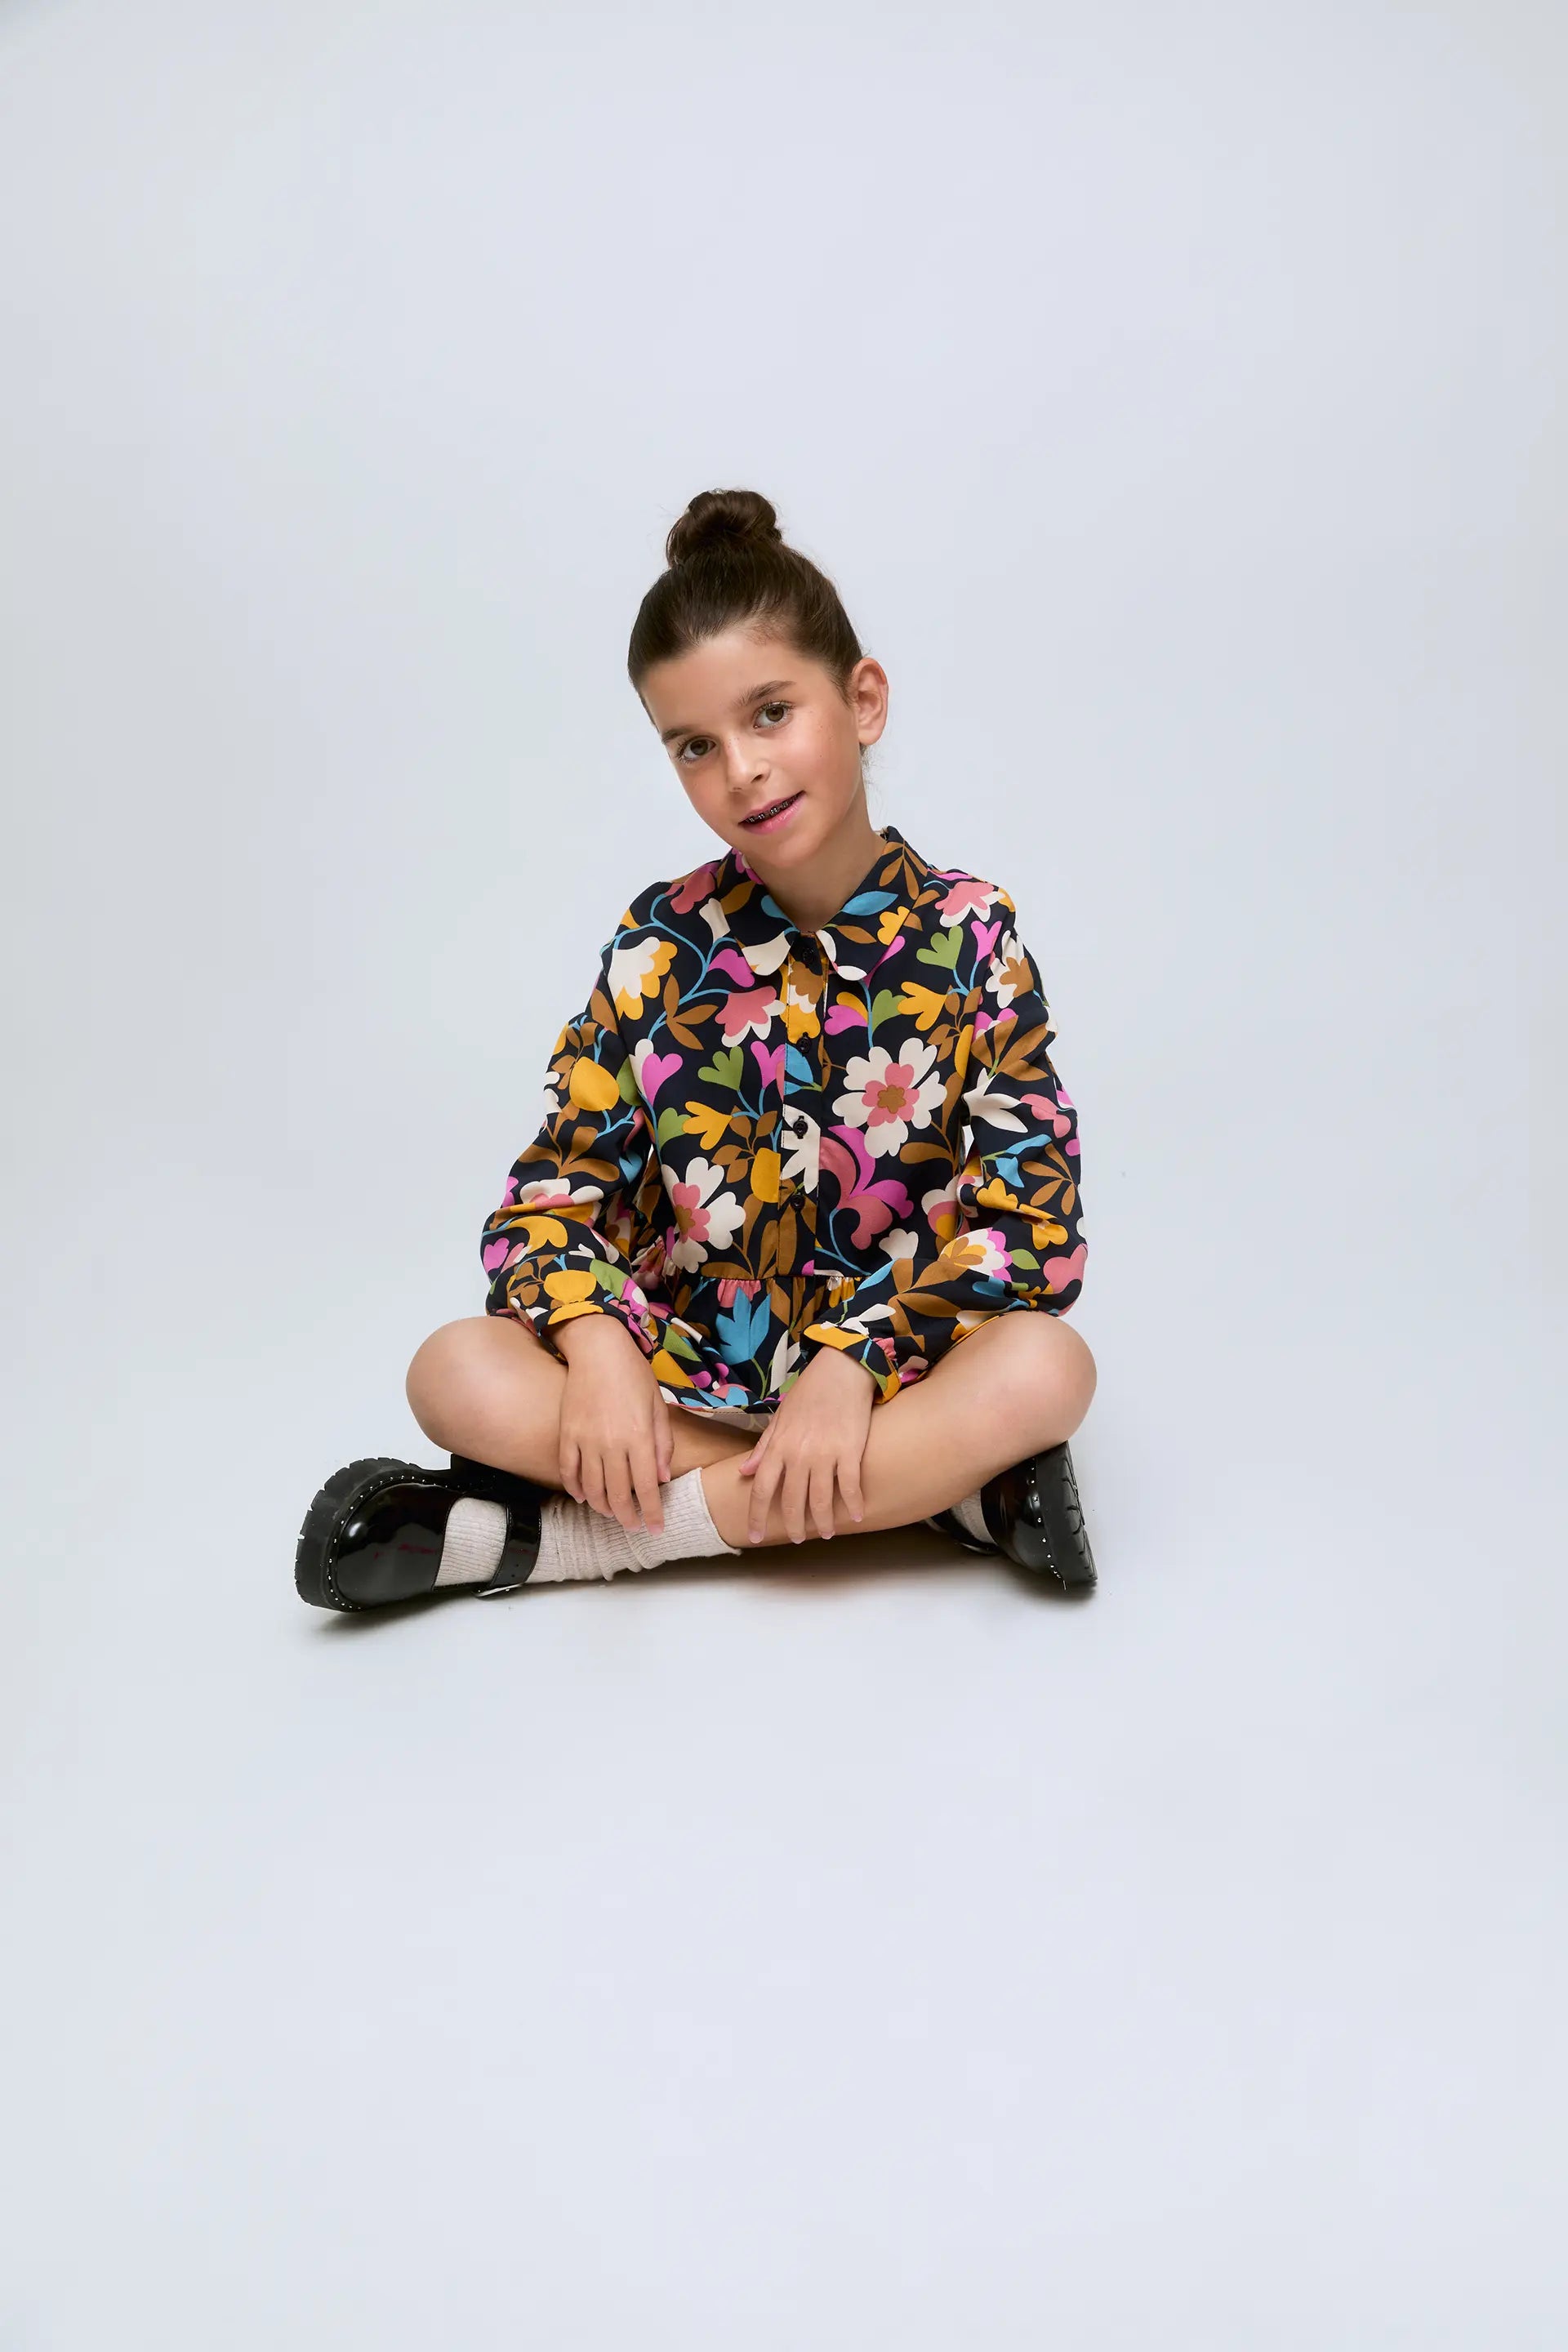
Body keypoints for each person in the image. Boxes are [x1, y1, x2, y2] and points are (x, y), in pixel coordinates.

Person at [294, 488, 1098, 1613]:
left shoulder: (974, 936)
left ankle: (568, 1545)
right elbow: (547, 1201)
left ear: (863, 699)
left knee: (1050, 1369)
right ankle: (938, 1499)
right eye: (695, 746)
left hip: (893, 1380)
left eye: (772, 714)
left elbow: (1032, 1223)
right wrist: (600, 1349)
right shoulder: (657, 947)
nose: (743, 770)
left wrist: (854, 1362)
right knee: (453, 1371)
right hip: (681, 1380)